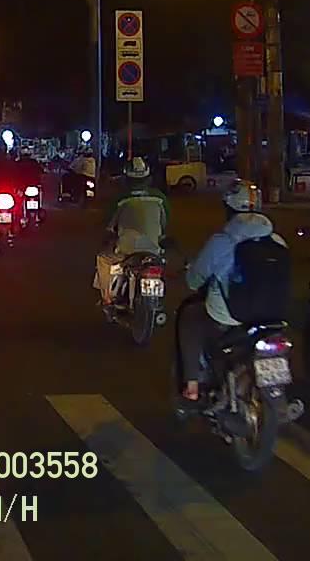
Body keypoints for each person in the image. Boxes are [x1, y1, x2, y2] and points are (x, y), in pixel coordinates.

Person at [177, 181, 288, 404]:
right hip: (272, 317)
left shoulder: (222, 241)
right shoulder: (277, 240)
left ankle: (192, 385)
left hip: (230, 318)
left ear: (228, 208)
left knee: (189, 316)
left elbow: (194, 280)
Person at [94, 158, 170, 307]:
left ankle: (107, 300)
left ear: (126, 179)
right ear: (148, 178)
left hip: (126, 249)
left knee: (102, 259)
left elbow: (109, 226)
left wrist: (108, 238)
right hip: (153, 249)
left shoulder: (120, 199)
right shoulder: (160, 198)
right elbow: (165, 223)